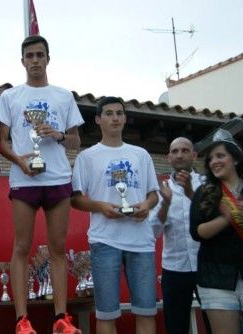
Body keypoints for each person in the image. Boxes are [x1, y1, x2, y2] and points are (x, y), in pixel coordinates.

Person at [0, 35, 84, 334]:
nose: (35, 60)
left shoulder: (63, 96)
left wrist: (56, 134)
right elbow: (1, 142)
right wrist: (20, 161)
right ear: (22, 61)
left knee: (58, 248)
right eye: (29, 55)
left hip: (57, 176)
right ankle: (22, 320)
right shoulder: (10, 97)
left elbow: (74, 140)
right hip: (24, 178)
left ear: (48, 58)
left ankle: (61, 318)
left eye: (39, 55)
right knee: (21, 247)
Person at [71, 96, 159, 334]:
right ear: (98, 119)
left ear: (125, 119)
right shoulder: (87, 157)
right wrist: (101, 207)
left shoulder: (140, 154)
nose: (115, 118)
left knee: (146, 310)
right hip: (105, 240)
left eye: (119, 113)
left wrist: (146, 206)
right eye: (109, 113)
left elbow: (154, 194)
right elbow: (75, 198)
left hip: (141, 242)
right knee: (106, 312)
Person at [189, 129, 243, 334]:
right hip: (215, 278)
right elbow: (197, 232)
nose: (214, 162)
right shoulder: (205, 192)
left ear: (235, 159)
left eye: (220, 156)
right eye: (211, 159)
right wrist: (226, 218)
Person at [149, 137, 212, 334]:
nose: (179, 155)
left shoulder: (208, 184)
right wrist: (165, 204)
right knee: (176, 326)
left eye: (185, 150)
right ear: (168, 157)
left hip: (208, 265)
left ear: (194, 155)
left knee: (216, 323)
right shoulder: (161, 190)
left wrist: (191, 192)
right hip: (174, 268)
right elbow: (153, 232)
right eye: (175, 151)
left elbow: (214, 218)